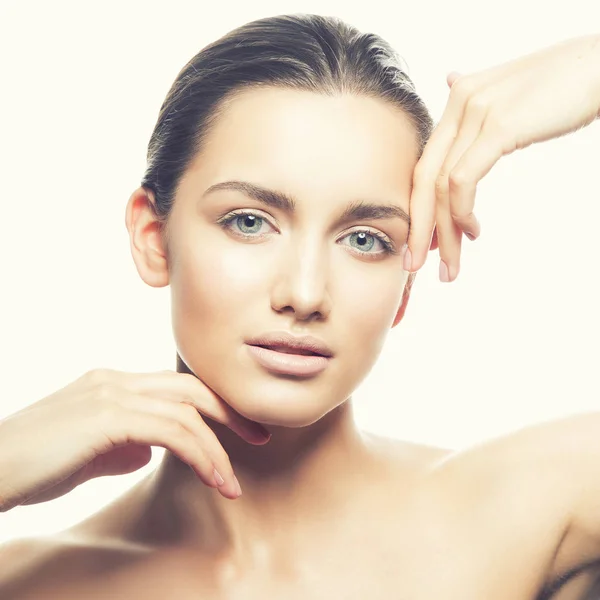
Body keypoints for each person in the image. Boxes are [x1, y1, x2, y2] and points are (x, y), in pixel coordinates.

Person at [0, 12, 600, 600]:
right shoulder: (29, 582)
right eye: (250, 221)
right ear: (154, 239)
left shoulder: (533, 512)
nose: (305, 294)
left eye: (365, 239)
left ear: (406, 280)